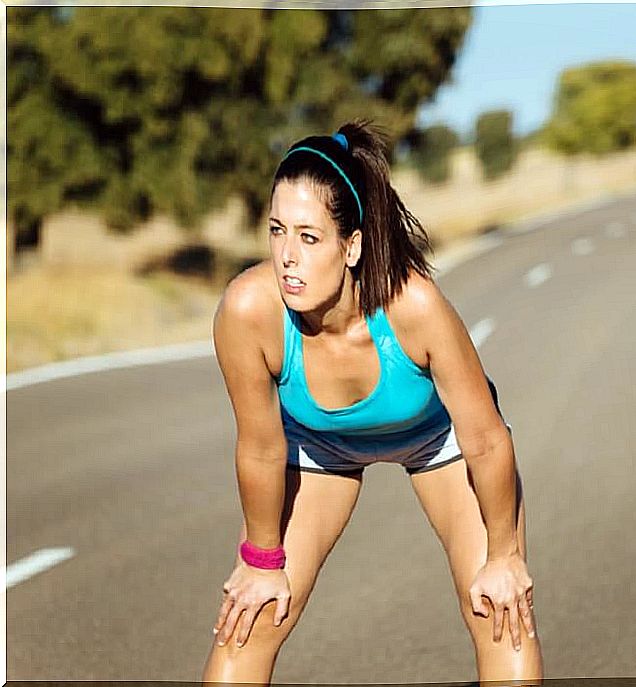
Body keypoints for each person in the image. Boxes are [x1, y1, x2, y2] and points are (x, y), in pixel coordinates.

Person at [201, 119, 543, 683]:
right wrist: (263, 562)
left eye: (309, 238)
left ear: (351, 245)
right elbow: (262, 449)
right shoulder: (248, 311)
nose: (288, 256)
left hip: (441, 442)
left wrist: (505, 556)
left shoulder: (413, 306)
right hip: (317, 448)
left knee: (498, 610)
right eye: (277, 230)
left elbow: (485, 437)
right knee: (252, 617)